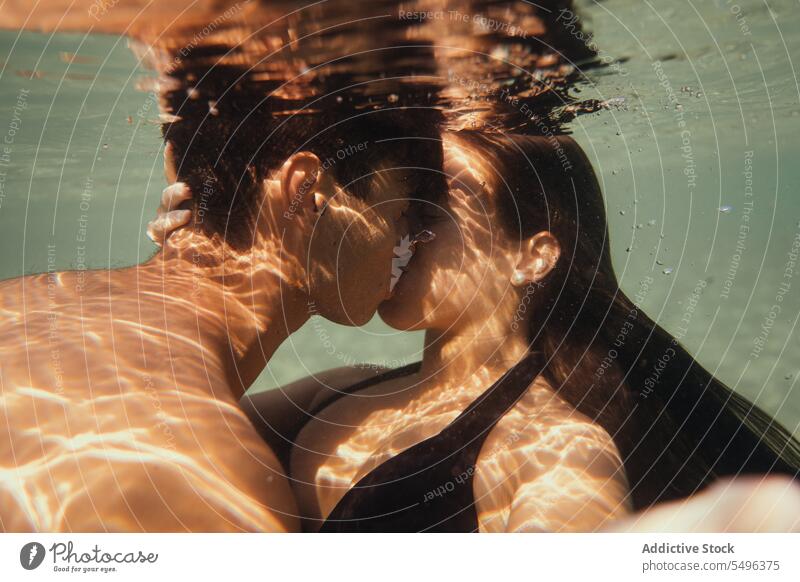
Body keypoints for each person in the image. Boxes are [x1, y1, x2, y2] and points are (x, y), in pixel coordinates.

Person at [179, 131, 797, 532]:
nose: (396, 221)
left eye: (433, 202)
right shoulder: (337, 390)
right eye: (400, 197)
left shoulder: (546, 445)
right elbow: (158, 440)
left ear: (532, 256)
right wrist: (206, 262)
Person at [0, 101, 445, 531]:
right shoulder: (214, 492)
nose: (417, 237)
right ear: (308, 193)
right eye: (406, 211)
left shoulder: (19, 302)